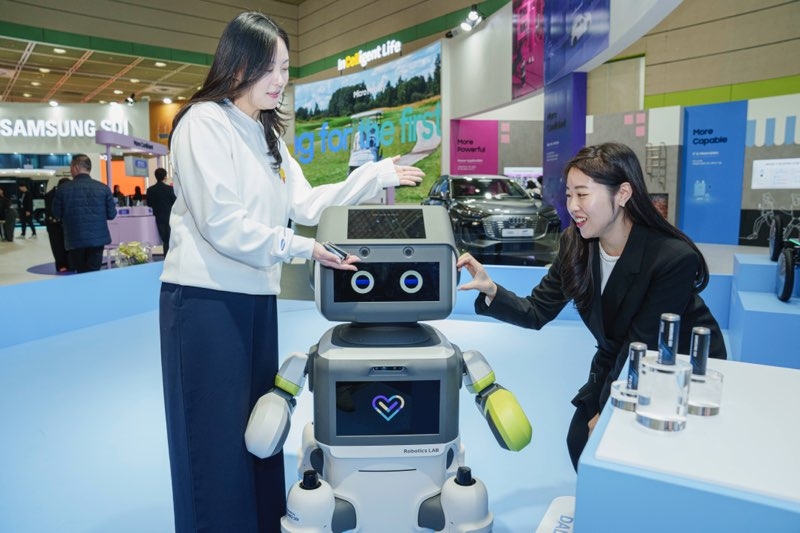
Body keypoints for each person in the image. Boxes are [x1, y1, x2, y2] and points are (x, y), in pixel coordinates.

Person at [158, 11, 424, 533]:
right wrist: (301, 248)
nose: (280, 80)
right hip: (205, 303)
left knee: (259, 431)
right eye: (269, 68)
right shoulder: (202, 123)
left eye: (285, 68)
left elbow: (306, 202)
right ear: (237, 65)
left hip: (257, 299)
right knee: (211, 440)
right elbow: (221, 224)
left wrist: (377, 173)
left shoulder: (267, 136)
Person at [456, 142, 727, 472]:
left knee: (635, 458)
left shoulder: (671, 258)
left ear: (623, 193)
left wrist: (610, 411)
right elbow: (536, 311)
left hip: (676, 373)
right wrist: (492, 289)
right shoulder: (575, 245)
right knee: (580, 442)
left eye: (582, 194)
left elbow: (642, 344)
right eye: (568, 194)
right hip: (620, 361)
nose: (572, 206)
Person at [53, 154, 117, 273]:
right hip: (98, 239)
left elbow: (57, 214)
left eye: (70, 167)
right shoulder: (103, 188)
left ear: (76, 167)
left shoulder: (63, 189)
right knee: (94, 272)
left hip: (75, 239)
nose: (70, 170)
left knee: (81, 273)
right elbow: (112, 214)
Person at [145, 167, 176, 255]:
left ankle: (166, 257)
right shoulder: (169, 189)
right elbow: (175, 202)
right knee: (169, 240)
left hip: (157, 218)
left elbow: (149, 203)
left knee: (164, 240)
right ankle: (169, 257)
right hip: (169, 218)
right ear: (165, 177)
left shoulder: (150, 190)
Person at [44, 177, 71, 272]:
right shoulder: (50, 196)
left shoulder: (65, 193)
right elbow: (50, 212)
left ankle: (69, 264)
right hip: (54, 227)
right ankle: (61, 265)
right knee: (57, 246)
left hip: (66, 225)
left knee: (68, 246)